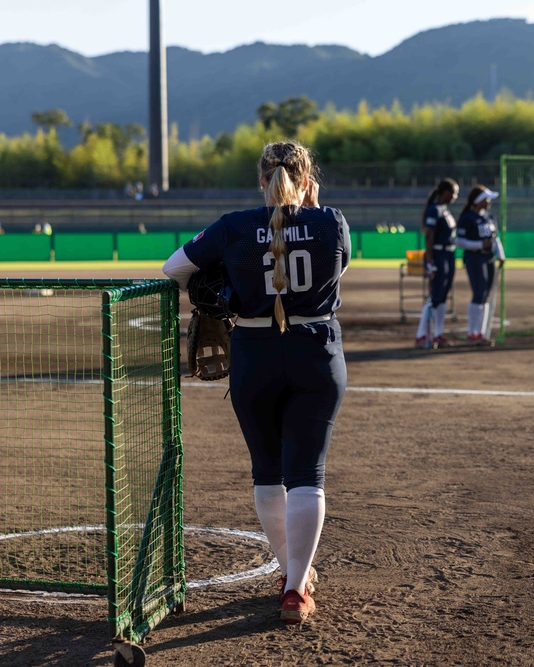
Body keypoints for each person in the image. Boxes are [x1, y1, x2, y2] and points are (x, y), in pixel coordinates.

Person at [161, 141, 351, 624]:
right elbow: (338, 269)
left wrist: (226, 283)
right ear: (308, 181)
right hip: (316, 349)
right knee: (308, 473)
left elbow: (174, 270)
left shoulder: (234, 225)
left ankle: (292, 574)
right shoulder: (332, 222)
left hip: (254, 351)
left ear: (261, 181)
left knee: (268, 472)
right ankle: (295, 589)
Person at [456, 185, 505, 345]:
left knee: (485, 295)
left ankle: (482, 334)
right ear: (478, 201)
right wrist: (479, 245)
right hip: (474, 258)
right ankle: (472, 333)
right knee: (479, 292)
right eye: (486, 199)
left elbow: (495, 238)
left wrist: (500, 254)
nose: (489, 202)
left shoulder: (489, 218)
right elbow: (459, 241)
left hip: (488, 258)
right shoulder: (467, 218)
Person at [415, 179, 459, 349]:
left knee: (441, 297)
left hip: (448, 254)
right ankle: (422, 335)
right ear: (445, 192)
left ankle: (438, 334)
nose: (455, 196)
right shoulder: (434, 211)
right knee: (434, 297)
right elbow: (429, 236)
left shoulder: (445, 211)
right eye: (453, 192)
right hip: (438, 255)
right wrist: (431, 261)